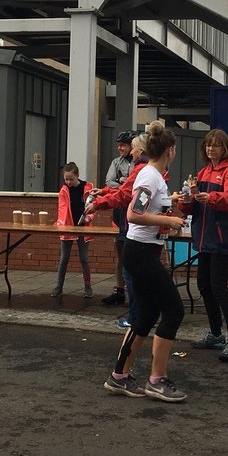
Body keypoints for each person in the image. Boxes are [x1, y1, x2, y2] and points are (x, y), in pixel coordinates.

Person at [102, 120, 187, 402]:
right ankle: (157, 380)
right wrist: (168, 219)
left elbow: (144, 209)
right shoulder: (151, 177)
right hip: (140, 251)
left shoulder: (153, 176)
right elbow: (133, 214)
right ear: (170, 150)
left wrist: (169, 208)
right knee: (173, 310)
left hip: (143, 251)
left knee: (146, 316)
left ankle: (119, 376)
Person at [174, 128, 228, 362]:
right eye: (207, 145)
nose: (210, 148)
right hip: (205, 237)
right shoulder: (204, 172)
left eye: (215, 145)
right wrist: (186, 202)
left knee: (218, 286)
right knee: (204, 285)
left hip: (221, 237)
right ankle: (216, 333)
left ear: (224, 147)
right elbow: (194, 208)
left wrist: (212, 198)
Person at [89, 133, 149, 330]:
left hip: (136, 228)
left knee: (131, 271)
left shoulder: (142, 170)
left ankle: (136, 318)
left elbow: (124, 193)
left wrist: (98, 203)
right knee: (132, 268)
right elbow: (114, 185)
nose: (130, 151)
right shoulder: (146, 169)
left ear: (141, 150)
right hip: (130, 224)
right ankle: (141, 314)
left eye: (132, 147)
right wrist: (107, 191)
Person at [100, 130, 136, 307]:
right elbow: (109, 182)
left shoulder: (140, 163)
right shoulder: (116, 162)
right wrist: (125, 184)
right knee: (120, 252)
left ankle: (136, 294)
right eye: (119, 144)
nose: (119, 148)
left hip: (135, 211)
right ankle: (119, 291)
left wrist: (122, 183)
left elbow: (137, 185)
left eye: (123, 144)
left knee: (134, 253)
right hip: (119, 210)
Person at [53, 161, 95, 298]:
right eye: (66, 179)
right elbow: (62, 210)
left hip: (83, 227)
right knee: (64, 258)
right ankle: (58, 287)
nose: (68, 182)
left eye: (71, 179)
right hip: (68, 227)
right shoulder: (63, 190)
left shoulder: (88, 188)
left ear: (77, 176)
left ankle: (88, 288)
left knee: (84, 258)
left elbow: (94, 206)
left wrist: (89, 218)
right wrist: (60, 224)